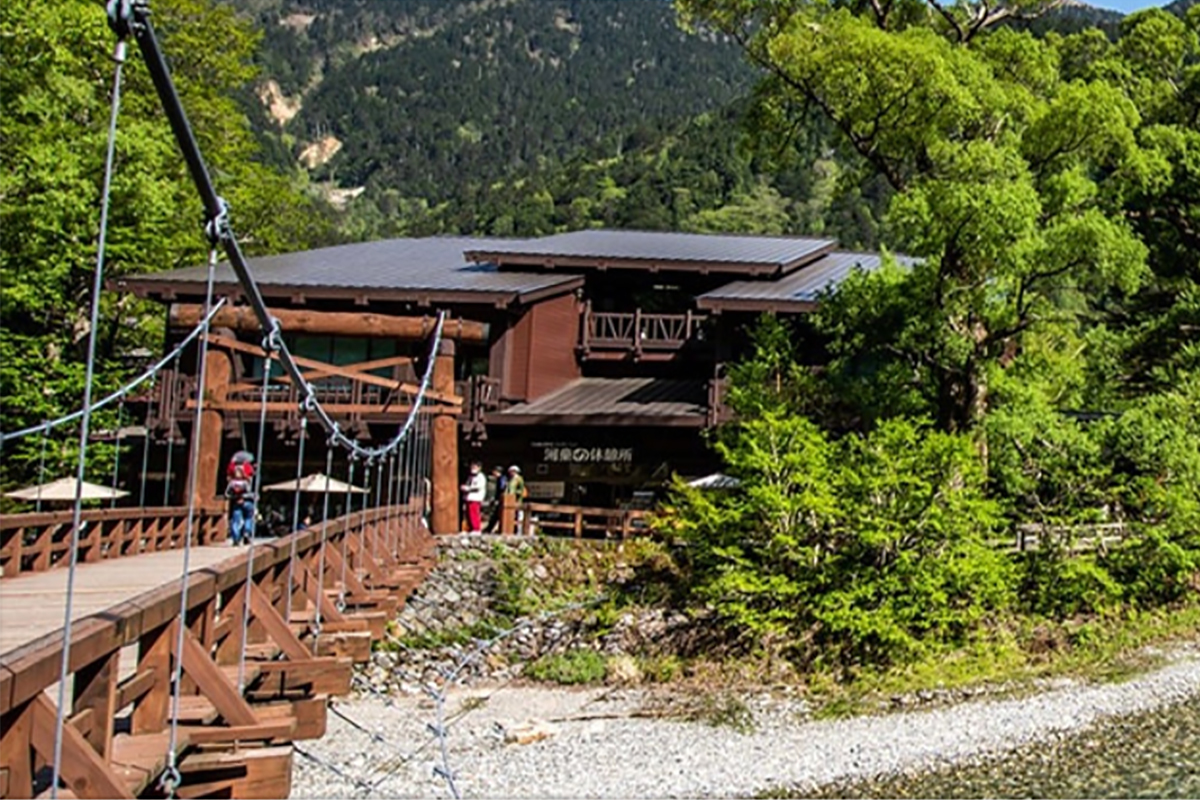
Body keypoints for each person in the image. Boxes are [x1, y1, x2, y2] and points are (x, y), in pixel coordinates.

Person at [225, 462, 256, 545]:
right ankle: (247, 532)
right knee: (248, 518)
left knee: (235, 521)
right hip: (247, 502)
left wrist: (233, 496)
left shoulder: (231, 483)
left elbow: (227, 494)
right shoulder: (246, 482)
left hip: (236, 502)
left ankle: (235, 537)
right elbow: (249, 491)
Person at [460, 461, 487, 534]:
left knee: (474, 514)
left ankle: (476, 529)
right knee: (468, 514)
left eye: (475, 467)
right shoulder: (470, 477)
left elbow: (478, 487)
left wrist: (467, 488)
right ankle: (469, 528)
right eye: (472, 467)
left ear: (479, 468)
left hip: (475, 498)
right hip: (468, 498)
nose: (473, 468)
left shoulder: (481, 477)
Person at [504, 464, 527, 530]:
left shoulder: (519, 479)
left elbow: (521, 490)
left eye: (512, 471)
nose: (510, 473)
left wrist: (515, 493)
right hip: (508, 500)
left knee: (518, 516)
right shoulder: (510, 479)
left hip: (517, 500)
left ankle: (518, 530)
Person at [484, 466, 506, 534]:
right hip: (498, 499)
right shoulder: (499, 479)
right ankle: (489, 528)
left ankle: (490, 529)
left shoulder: (502, 479)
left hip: (501, 499)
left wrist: (497, 499)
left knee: (497, 515)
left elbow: (502, 489)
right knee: (495, 515)